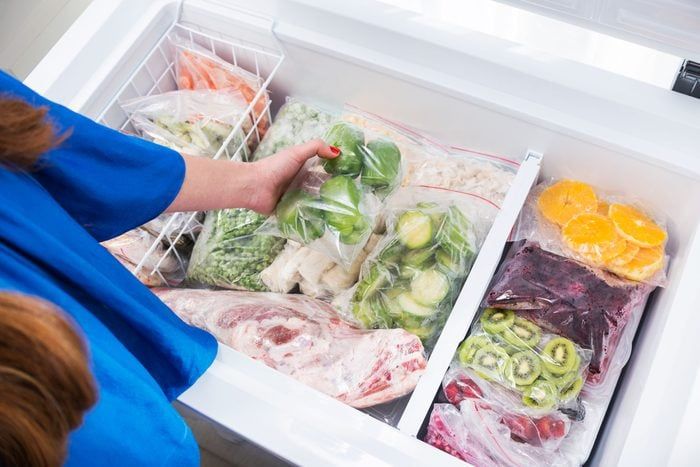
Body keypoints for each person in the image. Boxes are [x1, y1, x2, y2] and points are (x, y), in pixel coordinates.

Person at [0, 69, 337, 465]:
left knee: (149, 439)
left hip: (73, 352)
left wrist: (253, 184)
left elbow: (76, 153)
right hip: (45, 413)